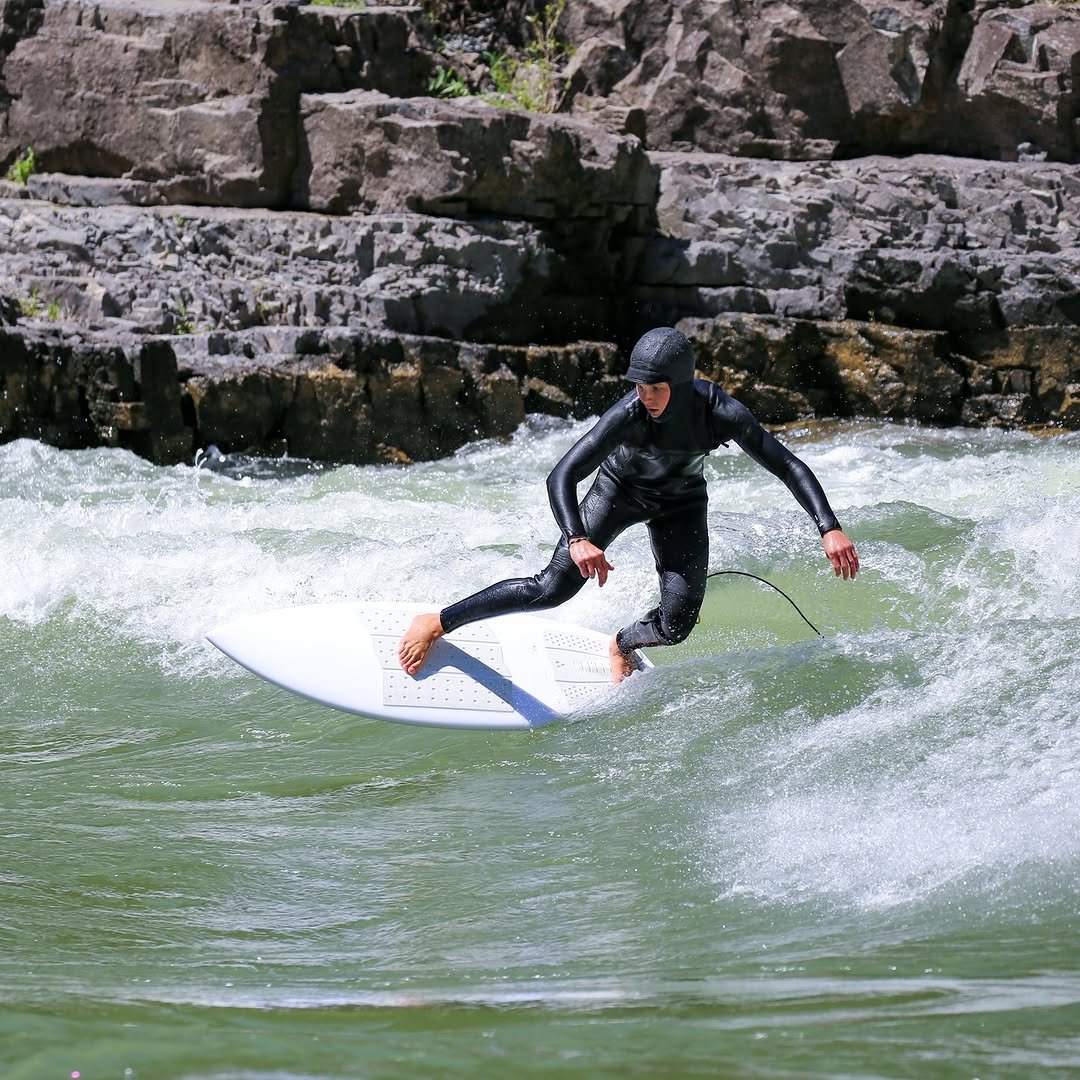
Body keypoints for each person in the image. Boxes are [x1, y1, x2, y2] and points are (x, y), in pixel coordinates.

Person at [398, 327, 859, 682]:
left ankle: (622, 643)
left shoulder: (721, 413)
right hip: (616, 493)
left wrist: (829, 526)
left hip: (680, 505)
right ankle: (438, 622)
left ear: (680, 384)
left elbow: (788, 466)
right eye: (638, 386)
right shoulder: (629, 415)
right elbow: (562, 474)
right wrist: (577, 538)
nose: (645, 396)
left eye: (655, 388)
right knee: (551, 589)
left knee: (677, 625)